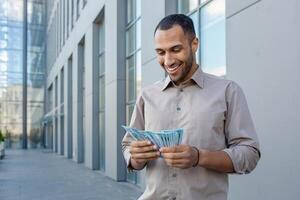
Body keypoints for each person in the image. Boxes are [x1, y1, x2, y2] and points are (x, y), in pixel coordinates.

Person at [121, 14, 260, 200]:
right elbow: (128, 146)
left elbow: (249, 154)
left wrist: (198, 157)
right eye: (161, 53)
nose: (168, 61)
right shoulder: (147, 95)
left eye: (176, 49)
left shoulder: (228, 91)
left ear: (194, 44)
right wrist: (136, 157)